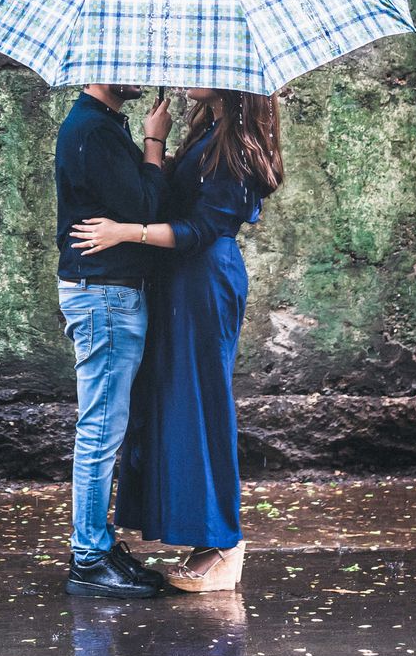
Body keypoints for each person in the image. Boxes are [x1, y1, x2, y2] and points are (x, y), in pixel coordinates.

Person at [71, 87, 284, 593]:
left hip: (203, 282)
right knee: (176, 405)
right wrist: (154, 146)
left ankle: (224, 546)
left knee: (202, 406)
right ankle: (201, 537)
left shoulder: (238, 146)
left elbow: (201, 229)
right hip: (178, 281)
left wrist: (127, 231)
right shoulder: (208, 132)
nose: (192, 72)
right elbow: (176, 199)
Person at [55, 82, 173, 598]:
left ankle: (98, 545)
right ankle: (88, 557)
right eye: (126, 64)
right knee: (101, 429)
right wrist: (155, 143)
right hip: (105, 296)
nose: (139, 74)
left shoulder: (97, 128)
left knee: (106, 425)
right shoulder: (95, 133)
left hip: (107, 292)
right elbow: (145, 208)